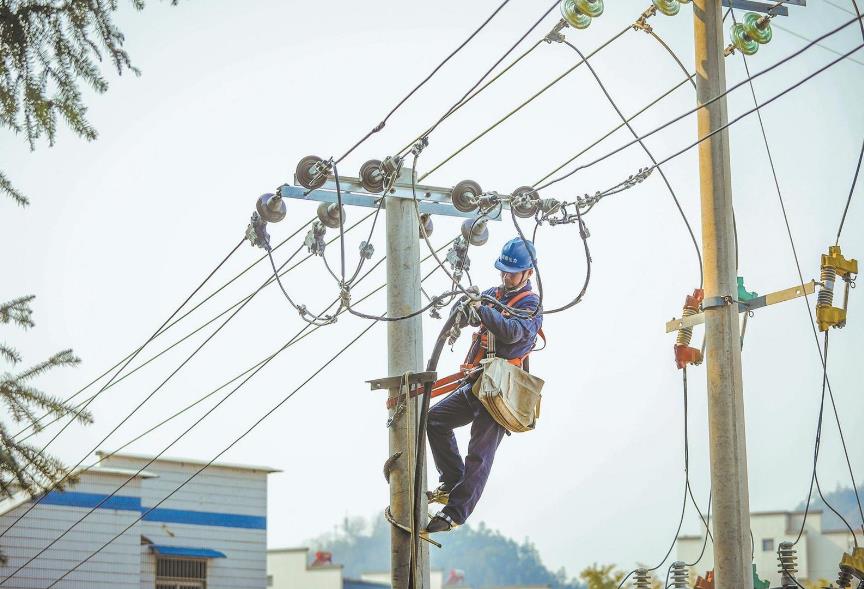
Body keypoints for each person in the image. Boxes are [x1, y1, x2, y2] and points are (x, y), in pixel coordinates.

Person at [424, 237, 543, 533]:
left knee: (479, 452)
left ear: (528, 273)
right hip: (478, 383)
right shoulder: (493, 295)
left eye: (512, 272)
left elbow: (513, 334)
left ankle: (454, 513)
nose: (506, 277)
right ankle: (453, 482)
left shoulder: (531, 305)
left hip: (501, 391)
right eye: (503, 271)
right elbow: (473, 313)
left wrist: (481, 310)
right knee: (435, 420)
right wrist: (464, 308)